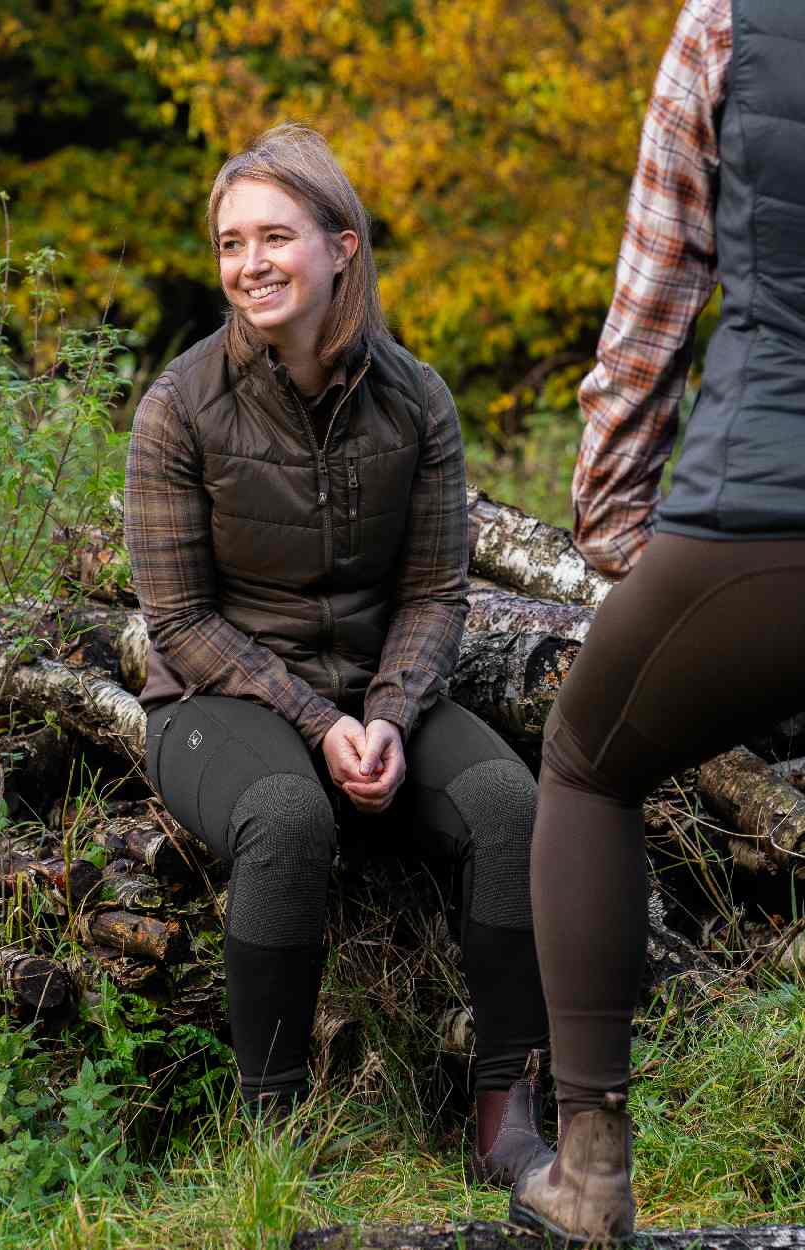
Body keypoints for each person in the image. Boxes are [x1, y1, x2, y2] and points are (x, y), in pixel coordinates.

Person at [124, 123, 551, 1184]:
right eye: (230, 243)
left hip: (374, 694)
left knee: (507, 804)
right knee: (286, 813)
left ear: (341, 246)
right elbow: (179, 621)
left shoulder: (416, 399)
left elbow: (431, 591)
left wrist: (391, 717)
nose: (248, 264)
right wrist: (323, 728)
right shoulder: (179, 407)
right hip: (212, 701)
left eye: (274, 236)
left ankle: (509, 1111)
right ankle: (274, 1136)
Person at [509, 0, 805, 1241]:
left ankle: (588, 1175)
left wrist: (618, 529)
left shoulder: (729, 25)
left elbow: (651, 307)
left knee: (585, 760)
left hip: (767, 507)